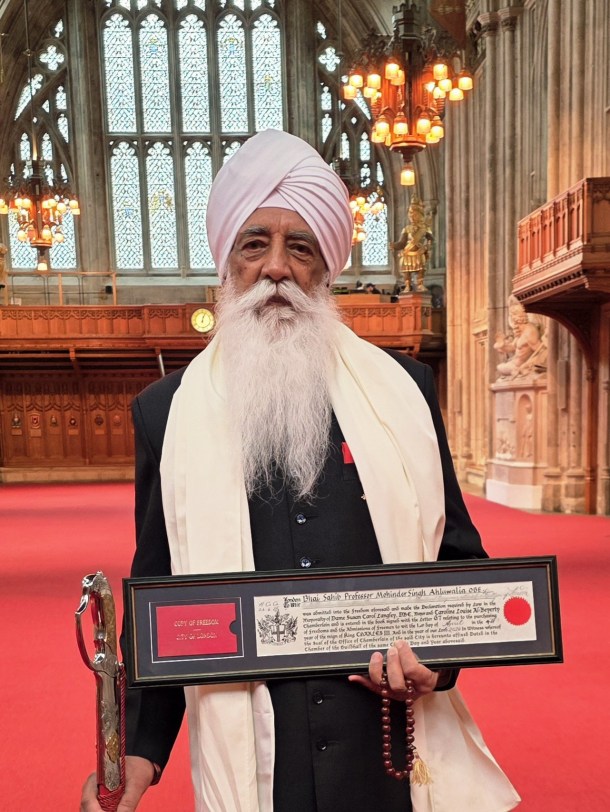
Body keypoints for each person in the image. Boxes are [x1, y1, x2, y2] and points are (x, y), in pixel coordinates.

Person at [80, 130, 519, 812]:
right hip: (256, 754)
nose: (277, 269)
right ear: (227, 262)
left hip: (386, 747)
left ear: (327, 267)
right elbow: (160, 593)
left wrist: (440, 658)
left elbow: (459, 560)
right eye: (256, 244)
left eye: (301, 247)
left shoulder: (403, 390)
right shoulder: (166, 414)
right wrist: (140, 751)